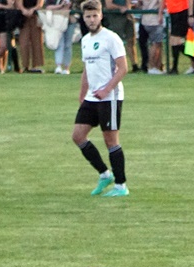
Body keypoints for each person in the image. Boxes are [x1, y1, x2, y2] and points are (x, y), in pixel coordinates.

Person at [73, 0, 129, 197]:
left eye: (94, 15)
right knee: (78, 136)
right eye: (88, 16)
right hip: (92, 97)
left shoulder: (111, 39)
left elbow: (123, 68)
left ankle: (121, 185)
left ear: (101, 15)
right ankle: (105, 174)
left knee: (111, 141)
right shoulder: (85, 40)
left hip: (110, 97)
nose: (91, 20)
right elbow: (87, 70)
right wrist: (82, 94)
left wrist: (106, 89)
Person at [102, 0, 136, 72]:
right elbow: (109, 5)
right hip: (115, 18)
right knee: (115, 42)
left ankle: (134, 65)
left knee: (131, 41)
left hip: (127, 16)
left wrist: (127, 7)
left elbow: (128, 4)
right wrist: (121, 7)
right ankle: (114, 65)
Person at [19, 0, 46, 72]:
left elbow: (40, 4)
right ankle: (25, 66)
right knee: (24, 43)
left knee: (37, 42)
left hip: (35, 17)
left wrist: (33, 9)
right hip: (23, 19)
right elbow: (18, 3)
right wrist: (23, 10)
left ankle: (36, 65)